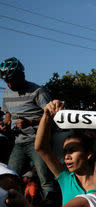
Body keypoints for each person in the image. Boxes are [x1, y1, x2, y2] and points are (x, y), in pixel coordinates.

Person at [0, 57, 57, 199]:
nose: (9, 84)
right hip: (18, 142)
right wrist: (5, 124)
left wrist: (31, 122)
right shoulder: (7, 93)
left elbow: (53, 115)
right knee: (10, 177)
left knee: (45, 179)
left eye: (12, 80)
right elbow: (8, 113)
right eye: (6, 81)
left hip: (38, 142)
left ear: (22, 75)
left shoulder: (38, 91)